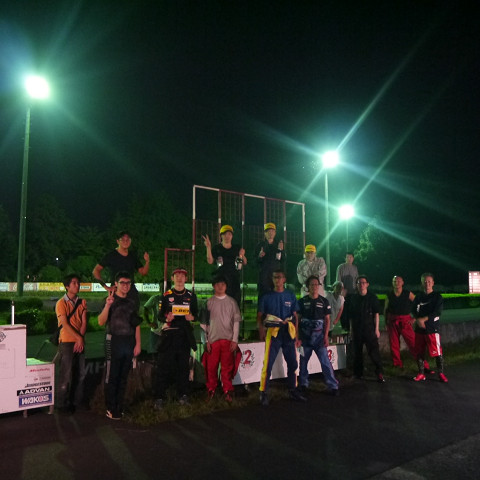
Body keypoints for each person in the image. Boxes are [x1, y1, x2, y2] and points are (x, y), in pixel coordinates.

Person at [257, 270, 305, 406]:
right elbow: (259, 315)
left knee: (293, 363)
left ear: (284, 279)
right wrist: (261, 330)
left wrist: (296, 335)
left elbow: (295, 316)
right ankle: (263, 392)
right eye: (275, 277)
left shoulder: (290, 295)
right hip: (273, 332)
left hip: (288, 332)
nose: (277, 280)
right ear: (272, 279)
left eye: (280, 277)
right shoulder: (266, 296)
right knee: (268, 363)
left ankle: (293, 389)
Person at [98, 271, 142, 420]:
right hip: (113, 340)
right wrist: (107, 306)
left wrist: (138, 343)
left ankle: (119, 406)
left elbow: (136, 324)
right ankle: (110, 407)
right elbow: (100, 322)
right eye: (122, 283)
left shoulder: (132, 302)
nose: (125, 286)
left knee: (123, 376)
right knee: (112, 375)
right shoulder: (110, 300)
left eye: (128, 283)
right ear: (116, 284)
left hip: (128, 341)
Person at [153, 268, 198, 409]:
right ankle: (159, 397)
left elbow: (196, 314)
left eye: (182, 276)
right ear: (172, 278)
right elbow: (160, 315)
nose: (179, 278)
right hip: (169, 335)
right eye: (176, 275)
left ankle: (183, 395)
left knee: (183, 367)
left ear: (186, 279)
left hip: (184, 336)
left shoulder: (191, 295)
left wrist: (192, 317)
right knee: (164, 366)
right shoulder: (166, 295)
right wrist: (167, 317)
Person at [203, 276, 242, 403]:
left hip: (228, 340)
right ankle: (211, 389)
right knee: (211, 368)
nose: (220, 286)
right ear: (213, 286)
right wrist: (206, 341)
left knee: (227, 368)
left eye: (223, 284)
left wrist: (235, 340)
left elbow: (236, 322)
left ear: (226, 286)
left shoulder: (232, 302)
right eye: (218, 284)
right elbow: (203, 324)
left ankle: (227, 390)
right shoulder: (208, 302)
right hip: (212, 341)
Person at [298, 275, 339, 395]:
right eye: (312, 285)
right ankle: (303, 384)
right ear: (308, 287)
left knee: (325, 362)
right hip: (305, 339)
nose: (314, 287)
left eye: (316, 284)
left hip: (319, 339)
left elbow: (327, 320)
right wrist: (298, 337)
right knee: (303, 362)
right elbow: (297, 320)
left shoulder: (324, 301)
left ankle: (333, 386)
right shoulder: (302, 301)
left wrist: (326, 337)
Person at [384, 275, 433, 369]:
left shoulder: (407, 293)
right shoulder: (389, 295)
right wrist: (386, 322)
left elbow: (418, 304)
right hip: (392, 321)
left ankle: (423, 365)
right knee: (394, 344)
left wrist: (414, 318)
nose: (396, 283)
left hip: (405, 321)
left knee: (413, 343)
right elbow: (386, 309)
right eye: (394, 281)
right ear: (392, 283)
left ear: (402, 283)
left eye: (398, 281)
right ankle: (397, 364)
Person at [55, 274, 88, 413]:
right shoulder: (61, 303)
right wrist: (78, 338)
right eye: (74, 283)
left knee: (80, 374)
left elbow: (84, 322)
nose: (77, 285)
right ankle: (61, 404)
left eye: (78, 283)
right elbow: (64, 324)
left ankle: (76, 402)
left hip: (79, 342)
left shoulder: (82, 302)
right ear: (67, 286)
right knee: (66, 375)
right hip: (67, 342)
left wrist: (80, 338)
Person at [92, 230, 150, 309]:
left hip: (131, 292)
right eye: (123, 239)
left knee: (133, 314)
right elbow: (96, 271)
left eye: (128, 239)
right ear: (117, 241)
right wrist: (106, 287)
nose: (125, 242)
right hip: (116, 291)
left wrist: (147, 262)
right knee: (116, 315)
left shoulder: (133, 256)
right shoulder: (111, 255)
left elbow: (143, 272)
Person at [411, 273, 448, 383]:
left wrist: (424, 319)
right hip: (419, 329)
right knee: (419, 352)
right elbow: (413, 310)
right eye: (425, 281)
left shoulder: (437, 297)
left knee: (437, 352)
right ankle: (421, 373)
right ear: (422, 283)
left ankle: (441, 373)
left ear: (433, 283)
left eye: (429, 281)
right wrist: (418, 319)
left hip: (432, 329)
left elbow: (437, 312)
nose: (427, 283)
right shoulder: (418, 297)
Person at [348, 275, 385, 382]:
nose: (361, 285)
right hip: (357, 329)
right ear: (356, 285)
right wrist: (351, 330)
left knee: (374, 352)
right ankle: (358, 373)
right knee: (357, 353)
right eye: (359, 283)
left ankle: (379, 373)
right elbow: (351, 316)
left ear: (367, 284)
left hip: (369, 328)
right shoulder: (353, 298)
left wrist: (377, 329)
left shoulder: (372, 297)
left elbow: (376, 314)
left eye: (363, 283)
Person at [202, 225, 247, 305]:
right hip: (221, 282)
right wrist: (208, 247)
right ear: (221, 236)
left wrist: (242, 255)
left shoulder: (237, 248)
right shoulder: (217, 248)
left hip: (234, 281)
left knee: (235, 305)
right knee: (221, 304)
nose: (227, 236)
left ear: (232, 236)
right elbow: (210, 261)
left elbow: (245, 262)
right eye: (224, 234)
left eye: (229, 234)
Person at [254, 222, 286, 298]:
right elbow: (254, 263)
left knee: (276, 299)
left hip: (276, 279)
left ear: (275, 233)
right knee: (263, 299)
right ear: (265, 233)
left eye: (272, 231)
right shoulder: (260, 245)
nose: (270, 233)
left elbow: (283, 261)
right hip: (263, 279)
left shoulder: (279, 245)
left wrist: (281, 250)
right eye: (268, 231)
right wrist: (259, 256)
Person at [336, 252, 358, 330]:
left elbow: (357, 279)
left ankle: (351, 327)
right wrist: (341, 290)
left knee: (352, 310)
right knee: (343, 310)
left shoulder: (355, 268)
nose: (349, 259)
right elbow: (338, 280)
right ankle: (344, 327)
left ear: (353, 258)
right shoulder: (340, 267)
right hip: (343, 293)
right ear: (345, 258)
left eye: (350, 257)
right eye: (347, 257)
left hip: (353, 292)